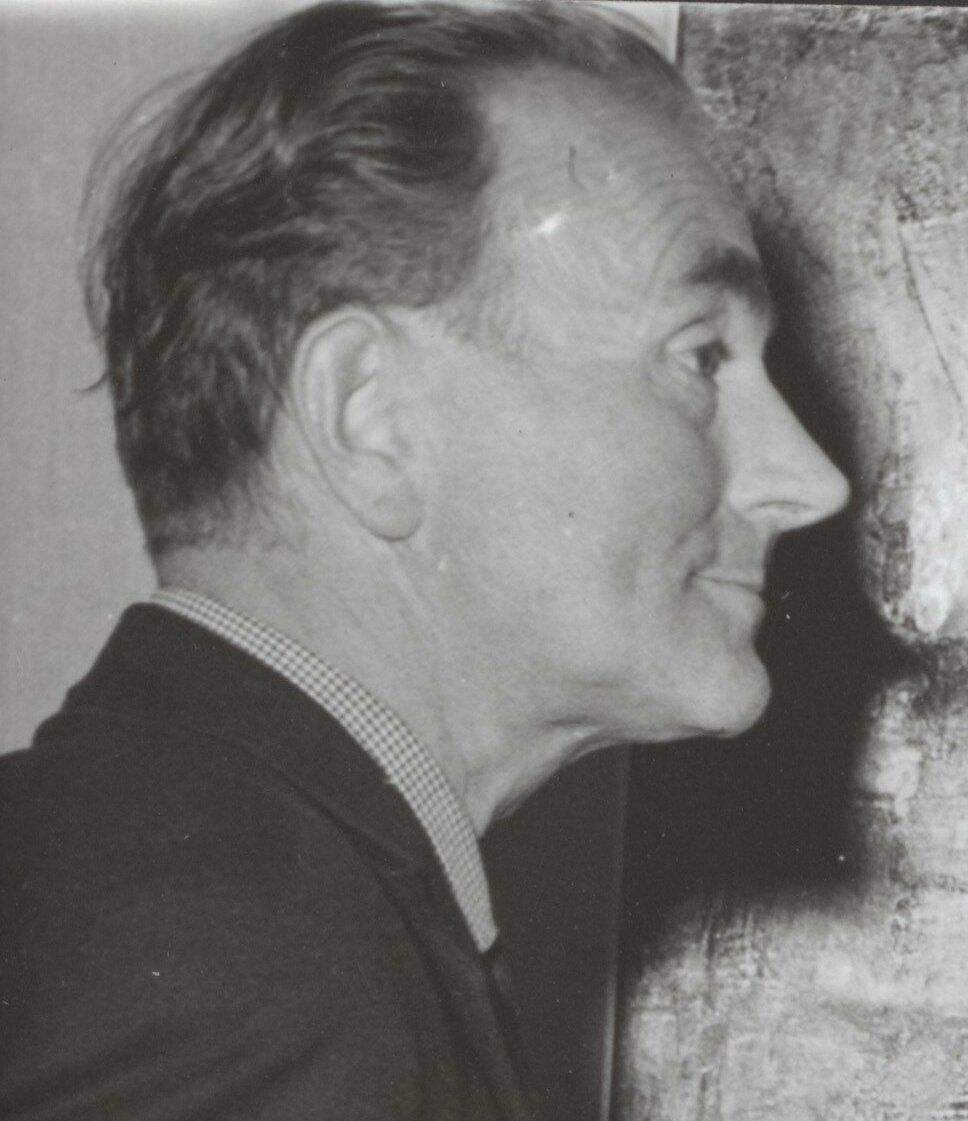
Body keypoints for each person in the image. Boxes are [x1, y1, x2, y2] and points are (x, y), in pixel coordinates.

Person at [0, 2, 850, 1118]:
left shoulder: (188, 888)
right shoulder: (247, 984)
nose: (808, 479)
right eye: (699, 356)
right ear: (372, 416)